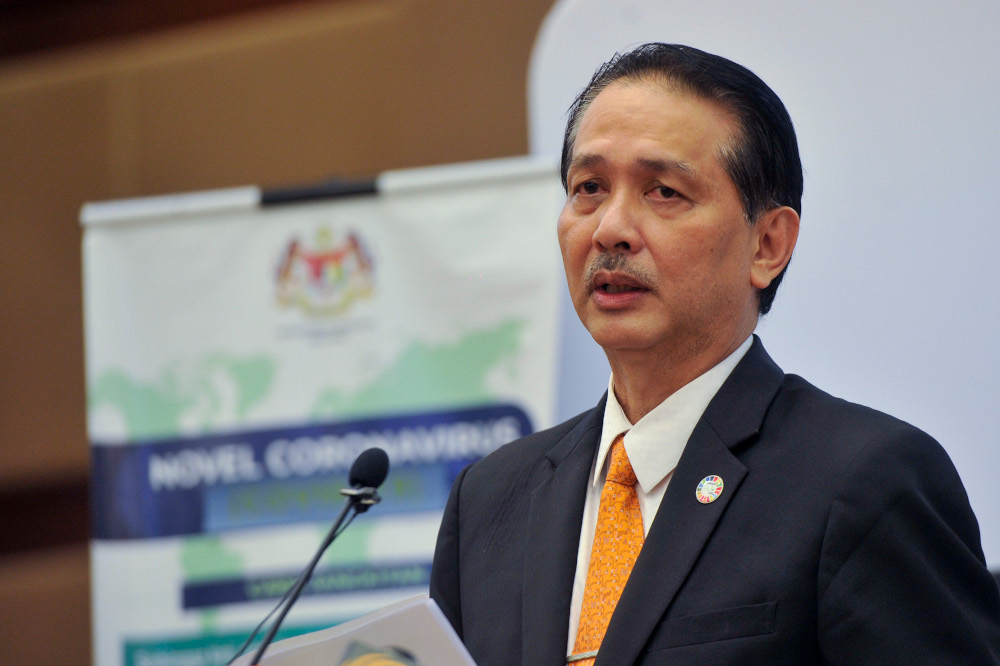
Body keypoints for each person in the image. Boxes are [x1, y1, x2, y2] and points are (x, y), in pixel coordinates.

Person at [429, 43, 1000, 665]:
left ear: (768, 244)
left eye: (664, 192)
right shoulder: (491, 500)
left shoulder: (865, 481)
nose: (610, 228)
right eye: (588, 187)